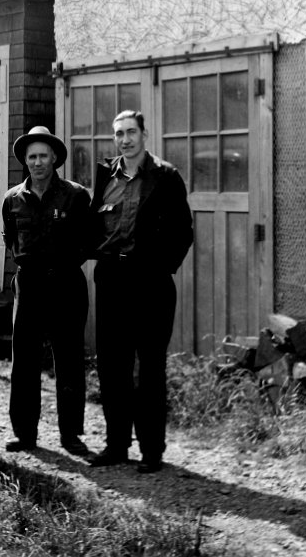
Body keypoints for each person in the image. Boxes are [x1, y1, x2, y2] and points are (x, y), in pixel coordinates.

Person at [89, 110, 193, 472]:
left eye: (131, 132)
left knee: (149, 369)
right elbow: (94, 225)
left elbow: (183, 232)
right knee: (112, 366)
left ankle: (152, 451)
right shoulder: (106, 174)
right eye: (118, 134)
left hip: (150, 284)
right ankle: (116, 445)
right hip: (112, 281)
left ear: (145, 134)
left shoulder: (165, 176)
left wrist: (159, 268)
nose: (125, 140)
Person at [1, 126, 92, 455]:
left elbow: (87, 241)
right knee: (23, 361)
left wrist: (61, 265)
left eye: (43, 156)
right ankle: (25, 434)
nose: (38, 162)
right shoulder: (13, 199)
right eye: (32, 157)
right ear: (25, 161)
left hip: (66, 283)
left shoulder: (75, 196)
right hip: (29, 285)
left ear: (54, 158)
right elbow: (10, 240)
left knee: (67, 360)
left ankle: (71, 435)